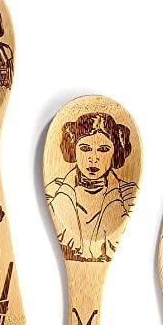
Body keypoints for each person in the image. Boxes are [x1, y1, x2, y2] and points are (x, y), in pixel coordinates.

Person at [45, 112, 137, 261]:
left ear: (116, 152)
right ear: (73, 148)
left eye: (103, 149)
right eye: (85, 148)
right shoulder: (53, 192)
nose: (93, 158)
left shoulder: (129, 196)